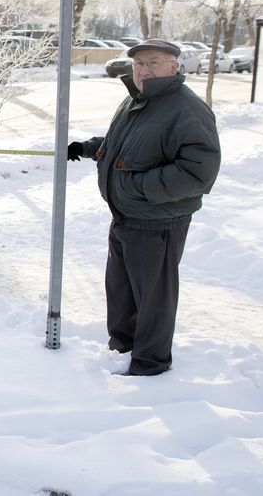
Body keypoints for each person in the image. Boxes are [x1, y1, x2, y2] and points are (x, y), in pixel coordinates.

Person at [67, 39, 220, 376]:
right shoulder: (137, 100)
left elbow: (199, 171)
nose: (144, 70)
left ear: (173, 67)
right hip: (125, 217)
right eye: (138, 64)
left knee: (153, 300)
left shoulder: (186, 108)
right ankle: (122, 348)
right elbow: (122, 145)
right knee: (121, 292)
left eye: (153, 62)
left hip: (156, 222)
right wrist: (91, 148)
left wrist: (139, 189)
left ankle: (150, 364)